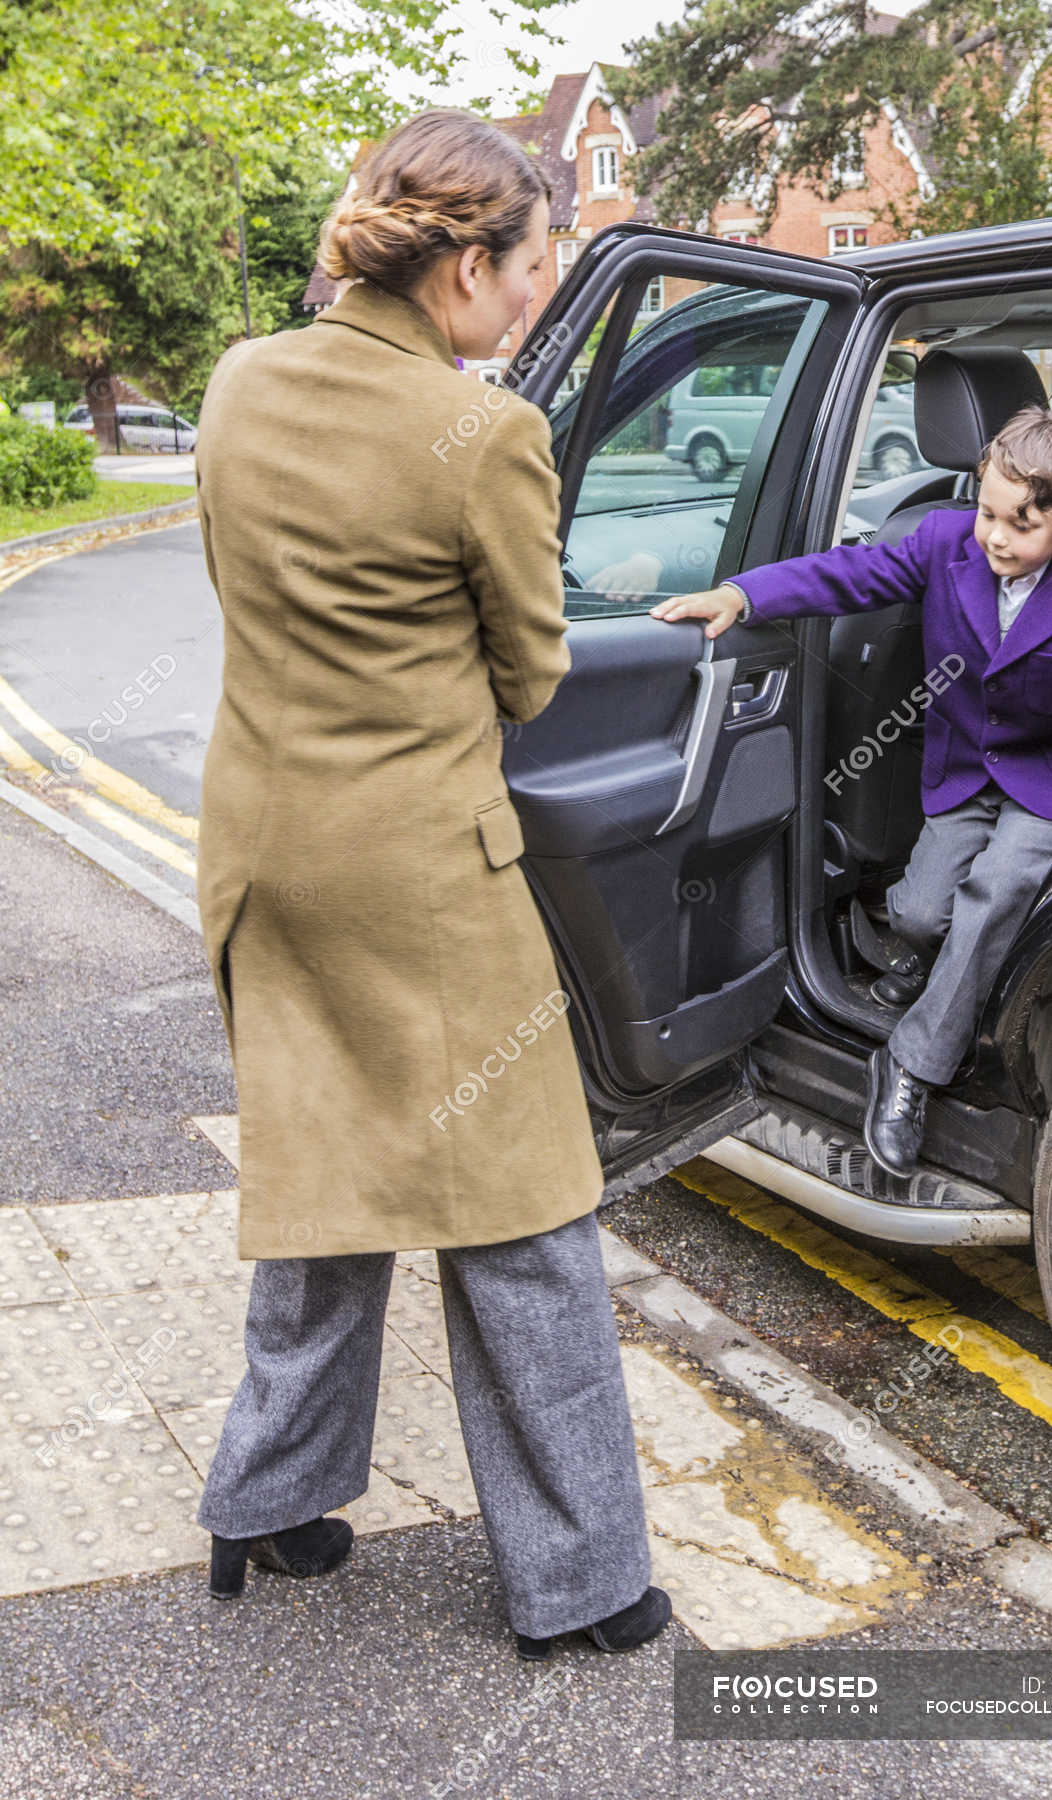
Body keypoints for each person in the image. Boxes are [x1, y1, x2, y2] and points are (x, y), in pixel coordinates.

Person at [191, 108, 669, 1662]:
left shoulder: (242, 385)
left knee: (325, 1174)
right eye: (532, 267)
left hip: (269, 859)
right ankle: (586, 1582)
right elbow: (531, 678)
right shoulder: (485, 434)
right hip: (422, 875)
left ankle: (267, 1504)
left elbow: (244, 595)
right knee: (520, 1215)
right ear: (464, 266)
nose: (537, 296)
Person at [648, 406, 1052, 1179]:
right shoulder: (944, 542)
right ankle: (926, 962)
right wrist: (742, 598)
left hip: (1051, 775)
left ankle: (913, 1066)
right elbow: (845, 576)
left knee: (996, 891)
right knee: (919, 913)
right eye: (988, 512)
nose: (996, 537)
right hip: (963, 765)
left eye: (1022, 525)